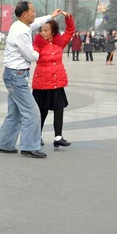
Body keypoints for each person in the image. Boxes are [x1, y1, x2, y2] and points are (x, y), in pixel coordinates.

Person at [0, 2, 63, 159]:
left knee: (15, 112)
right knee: (32, 112)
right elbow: (30, 55)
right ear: (24, 14)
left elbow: (36, 23)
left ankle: (2, 144)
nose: (34, 14)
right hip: (16, 76)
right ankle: (29, 147)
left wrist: (51, 16)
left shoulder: (20, 26)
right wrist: (41, 52)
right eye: (33, 11)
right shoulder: (21, 32)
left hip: (13, 75)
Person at [32, 12, 74, 148]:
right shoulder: (37, 43)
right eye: (41, 30)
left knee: (59, 108)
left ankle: (58, 136)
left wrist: (68, 18)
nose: (43, 33)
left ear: (53, 31)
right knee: (41, 111)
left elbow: (70, 31)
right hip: (42, 83)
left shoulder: (59, 42)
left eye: (46, 30)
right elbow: (31, 53)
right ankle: (37, 136)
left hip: (57, 82)